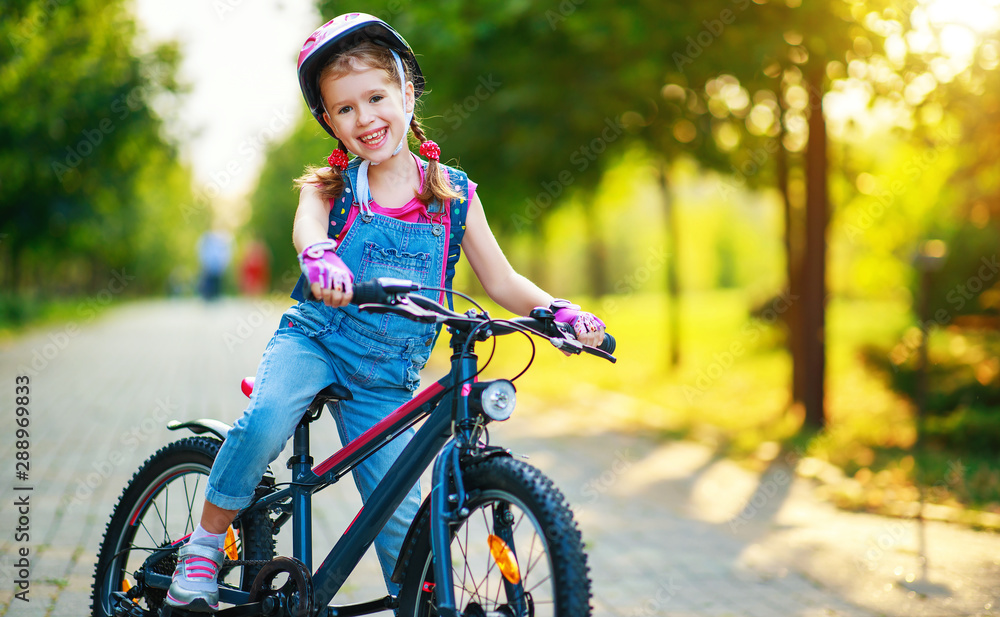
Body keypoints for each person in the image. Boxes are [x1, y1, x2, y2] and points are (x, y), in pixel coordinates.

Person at [165, 13, 606, 612]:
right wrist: (320, 257)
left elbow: (501, 280)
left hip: (388, 377)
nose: (365, 118)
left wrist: (555, 310)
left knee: (404, 528)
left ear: (407, 91)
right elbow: (307, 233)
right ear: (328, 120)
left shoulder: (454, 195)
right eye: (344, 109)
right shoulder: (330, 186)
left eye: (376, 97)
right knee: (266, 419)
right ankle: (206, 541)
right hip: (317, 340)